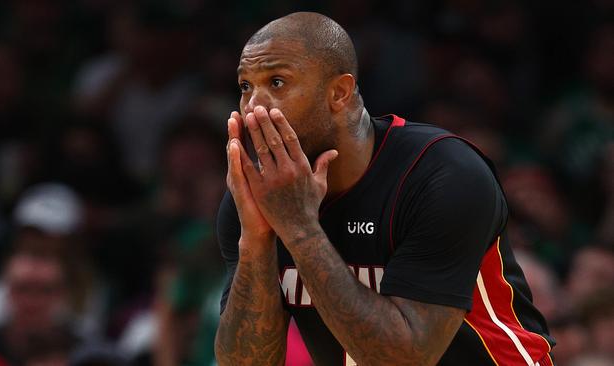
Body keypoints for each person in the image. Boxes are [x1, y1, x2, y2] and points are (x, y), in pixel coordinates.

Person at [215, 12, 554, 366]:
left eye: (277, 82)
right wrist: (256, 239)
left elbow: (403, 359)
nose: (254, 106)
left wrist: (298, 227)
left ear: (339, 92)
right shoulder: (258, 197)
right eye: (245, 87)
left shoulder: (442, 174)